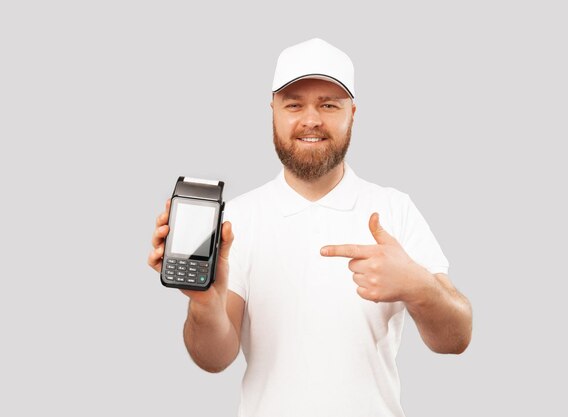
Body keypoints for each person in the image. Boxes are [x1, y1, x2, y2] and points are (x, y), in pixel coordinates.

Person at [148, 38, 472, 417]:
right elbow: (215, 358)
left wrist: (419, 287)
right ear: (273, 111)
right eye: (294, 104)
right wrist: (204, 303)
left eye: (329, 105)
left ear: (353, 112)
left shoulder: (393, 209)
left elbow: (457, 337)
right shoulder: (239, 218)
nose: (311, 119)